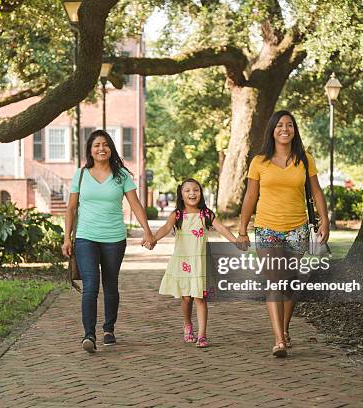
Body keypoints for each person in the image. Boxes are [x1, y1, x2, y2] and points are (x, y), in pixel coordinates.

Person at [237, 110, 329, 357]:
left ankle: (285, 330)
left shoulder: (304, 159)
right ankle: (278, 339)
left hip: (297, 229)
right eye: (279, 125)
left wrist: (325, 220)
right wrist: (242, 227)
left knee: (290, 284)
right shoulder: (259, 161)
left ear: (294, 130)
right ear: (272, 130)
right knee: (274, 282)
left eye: (289, 125)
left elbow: (316, 192)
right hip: (267, 228)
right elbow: (250, 196)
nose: (285, 129)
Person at [62, 130, 156, 353]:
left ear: (111, 148)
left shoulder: (121, 175)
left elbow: (135, 204)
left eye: (105, 144)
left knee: (110, 284)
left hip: (114, 238)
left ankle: (109, 329)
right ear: (90, 150)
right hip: (86, 237)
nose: (101, 148)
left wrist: (147, 231)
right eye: (96, 145)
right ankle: (89, 335)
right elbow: (71, 208)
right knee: (91, 285)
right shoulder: (81, 175)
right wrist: (67, 237)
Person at [152, 178, 237, 348]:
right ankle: (187, 324)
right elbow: (165, 228)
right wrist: (153, 239)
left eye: (196, 190)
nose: (192, 193)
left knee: (200, 298)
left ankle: (202, 334)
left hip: (200, 262)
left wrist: (236, 242)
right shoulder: (177, 215)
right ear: (181, 195)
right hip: (183, 262)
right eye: (187, 190)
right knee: (186, 298)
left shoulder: (206, 214)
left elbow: (221, 228)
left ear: (201, 193)